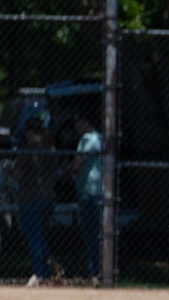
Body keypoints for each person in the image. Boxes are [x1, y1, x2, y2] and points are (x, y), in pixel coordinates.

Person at [14, 118, 59, 286]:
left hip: (30, 198)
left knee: (34, 237)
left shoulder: (28, 151)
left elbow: (19, 174)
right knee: (40, 236)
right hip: (48, 197)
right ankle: (48, 272)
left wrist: (7, 170)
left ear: (30, 132)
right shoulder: (51, 150)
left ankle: (40, 273)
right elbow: (57, 173)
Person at [70, 111, 103, 281]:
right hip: (97, 191)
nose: (75, 126)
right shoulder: (101, 138)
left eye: (77, 121)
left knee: (91, 233)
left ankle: (95, 271)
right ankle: (97, 270)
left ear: (85, 121)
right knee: (96, 233)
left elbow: (78, 163)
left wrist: (67, 169)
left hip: (90, 192)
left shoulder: (89, 139)